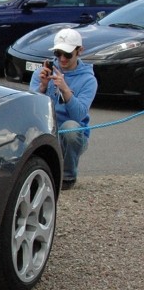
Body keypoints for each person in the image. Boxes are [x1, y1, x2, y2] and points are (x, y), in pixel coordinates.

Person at [30, 28, 97, 190]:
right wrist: (42, 87)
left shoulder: (88, 80)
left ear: (79, 51)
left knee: (71, 128)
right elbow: (30, 108)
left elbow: (79, 115)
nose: (62, 59)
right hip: (47, 129)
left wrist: (66, 90)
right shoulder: (42, 73)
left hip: (70, 134)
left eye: (67, 54)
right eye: (58, 53)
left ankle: (68, 175)